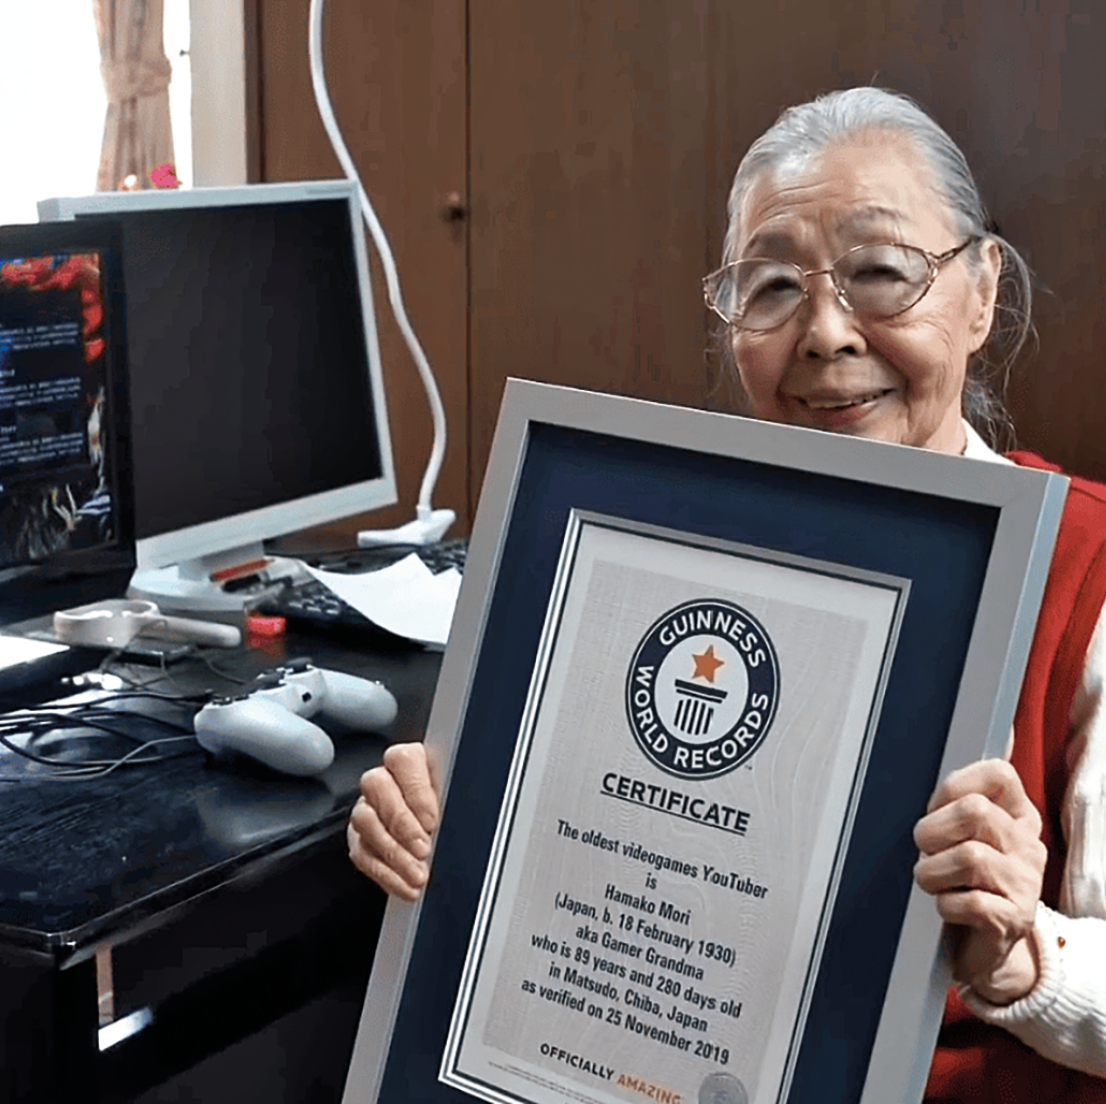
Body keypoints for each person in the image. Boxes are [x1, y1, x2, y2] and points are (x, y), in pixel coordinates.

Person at [346, 86, 1106, 1101]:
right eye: (772, 287)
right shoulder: (633, 568)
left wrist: (1021, 960)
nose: (826, 332)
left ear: (979, 293)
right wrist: (447, 827)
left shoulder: (1089, 568)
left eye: (881, 272)